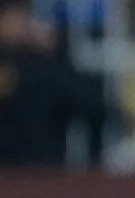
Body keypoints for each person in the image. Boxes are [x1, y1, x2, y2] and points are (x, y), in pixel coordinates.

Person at [0, 0, 112, 166]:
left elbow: (95, 106)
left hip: (43, 171)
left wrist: (54, 54)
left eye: (22, 15)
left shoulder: (44, 64)